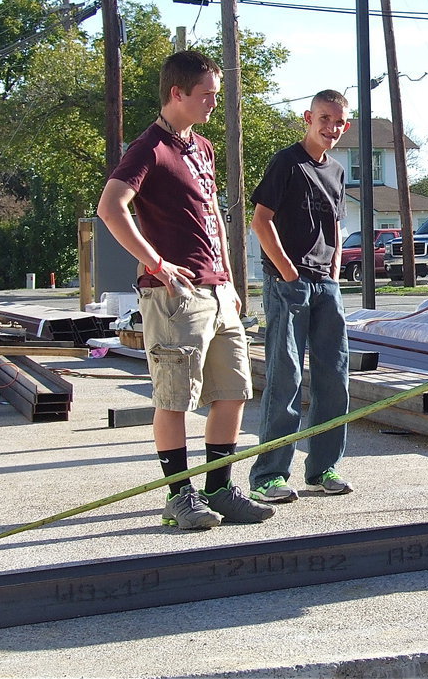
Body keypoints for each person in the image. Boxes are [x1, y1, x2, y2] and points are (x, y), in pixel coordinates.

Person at [98, 50, 273, 529]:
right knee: (174, 397)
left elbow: (213, 214)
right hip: (175, 296)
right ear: (177, 93)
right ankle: (179, 496)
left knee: (233, 391)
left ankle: (219, 487)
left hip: (217, 292)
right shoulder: (149, 148)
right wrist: (155, 262)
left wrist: (231, 280)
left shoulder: (202, 147)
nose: (213, 103)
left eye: (216, 95)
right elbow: (111, 207)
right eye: (206, 96)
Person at [247, 90, 354, 503]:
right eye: (324, 118)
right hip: (287, 285)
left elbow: (336, 225)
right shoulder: (287, 163)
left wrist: (336, 266)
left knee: (334, 378)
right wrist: (288, 270)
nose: (332, 128)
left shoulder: (339, 171)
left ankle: (323, 467)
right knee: (286, 377)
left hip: (326, 286)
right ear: (308, 117)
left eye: (339, 122)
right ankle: (270, 474)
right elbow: (261, 221)